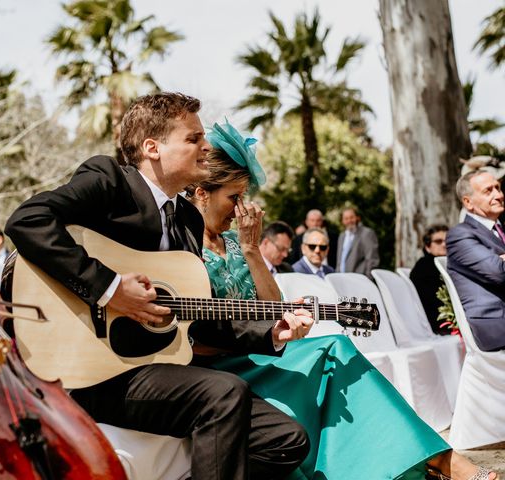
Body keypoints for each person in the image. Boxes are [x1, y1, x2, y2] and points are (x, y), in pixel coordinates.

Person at [5, 92, 313, 479]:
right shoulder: (110, 181)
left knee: (286, 440)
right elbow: (27, 220)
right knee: (224, 393)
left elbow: (195, 316)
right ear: (152, 147)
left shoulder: (188, 218)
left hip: (156, 367)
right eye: (193, 139)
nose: (206, 148)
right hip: (95, 371)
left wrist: (273, 332)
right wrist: (110, 288)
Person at [185, 122, 497, 480]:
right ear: (202, 193)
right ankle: (439, 464)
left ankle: (433, 461)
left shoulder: (240, 243)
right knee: (332, 349)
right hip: (216, 368)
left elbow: (273, 306)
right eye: (234, 197)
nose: (242, 209)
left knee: (337, 347)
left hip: (256, 353)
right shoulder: (182, 246)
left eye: (244, 197)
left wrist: (254, 251)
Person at [447, 170, 505, 352]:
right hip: (497, 325)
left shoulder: (501, 229)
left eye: (498, 188)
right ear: (468, 202)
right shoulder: (460, 235)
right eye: (488, 191)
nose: (499, 195)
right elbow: (499, 272)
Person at [410, 225, 450, 335]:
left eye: (448, 240)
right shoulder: (425, 266)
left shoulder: (444, 264)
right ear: (428, 247)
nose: (444, 244)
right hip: (440, 326)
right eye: (438, 241)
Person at [336, 207, 380, 278]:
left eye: (351, 217)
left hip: (359, 279)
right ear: (342, 221)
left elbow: (372, 260)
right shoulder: (342, 236)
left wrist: (368, 280)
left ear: (357, 218)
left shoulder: (367, 233)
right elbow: (340, 261)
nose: (349, 221)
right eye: (346, 218)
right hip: (342, 279)